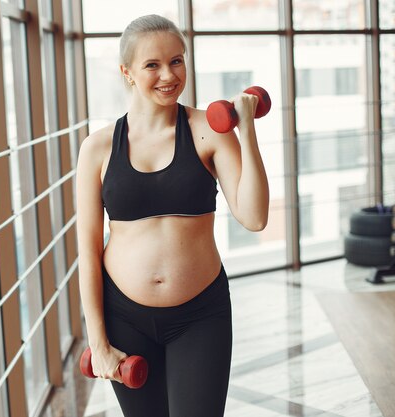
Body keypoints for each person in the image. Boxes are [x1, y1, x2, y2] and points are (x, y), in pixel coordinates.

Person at [76, 14, 269, 417]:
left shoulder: (209, 131)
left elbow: (254, 217)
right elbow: (88, 252)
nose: (169, 74)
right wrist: (98, 342)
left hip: (200, 314)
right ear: (127, 72)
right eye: (152, 65)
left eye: (177, 61)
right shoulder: (97, 148)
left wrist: (246, 131)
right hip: (123, 315)